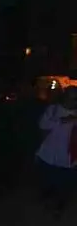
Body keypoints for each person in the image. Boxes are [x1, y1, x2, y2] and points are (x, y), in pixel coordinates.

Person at [35, 86, 77, 215]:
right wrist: (61, 121)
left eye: (75, 98)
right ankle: (46, 201)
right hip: (49, 154)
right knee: (48, 181)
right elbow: (42, 125)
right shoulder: (53, 110)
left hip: (69, 157)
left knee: (64, 185)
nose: (72, 101)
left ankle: (59, 207)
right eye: (70, 97)